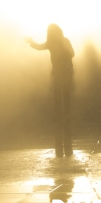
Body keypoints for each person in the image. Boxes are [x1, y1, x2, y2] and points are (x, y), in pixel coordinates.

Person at [26, 24, 74, 157]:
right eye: (50, 32)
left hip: (67, 70)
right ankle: (60, 117)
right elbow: (39, 47)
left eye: (53, 32)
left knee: (65, 94)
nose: (51, 34)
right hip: (58, 72)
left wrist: (63, 46)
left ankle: (66, 117)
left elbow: (72, 53)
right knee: (58, 94)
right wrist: (31, 42)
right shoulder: (51, 43)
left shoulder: (65, 41)